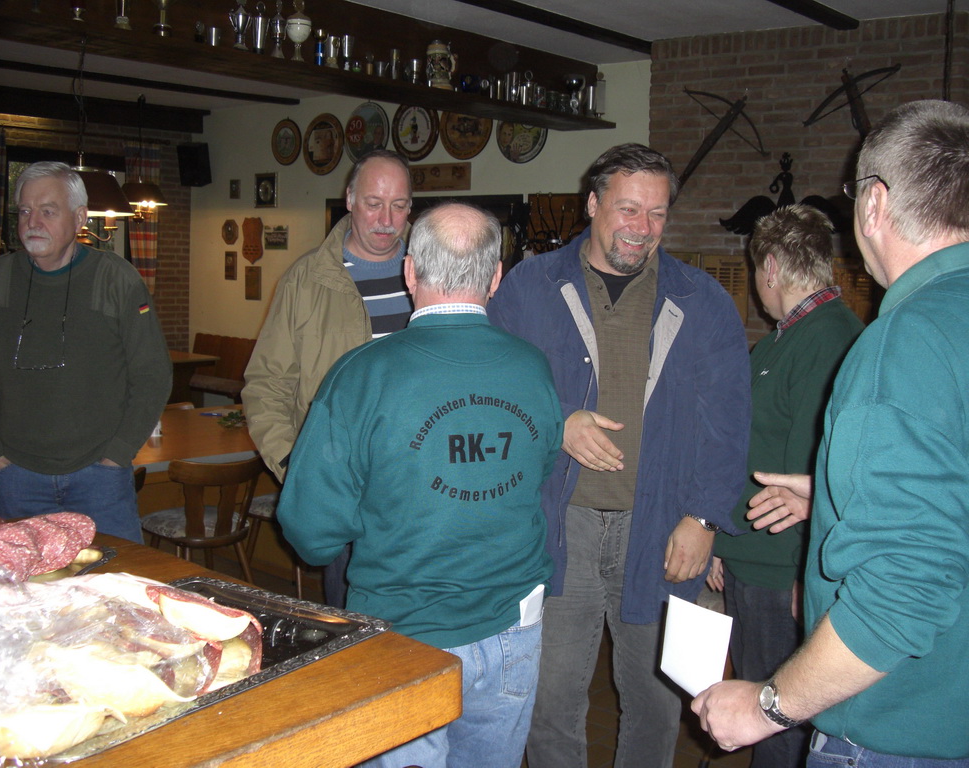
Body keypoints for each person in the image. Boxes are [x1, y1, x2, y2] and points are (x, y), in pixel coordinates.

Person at [692, 100, 969, 766]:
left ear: (874, 203)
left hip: (903, 728)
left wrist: (766, 705)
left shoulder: (904, 341)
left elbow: (903, 591)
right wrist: (834, 495)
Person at [487, 143, 751, 768]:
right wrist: (557, 423)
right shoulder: (530, 286)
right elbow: (493, 388)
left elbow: (729, 423)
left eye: (657, 213)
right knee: (550, 701)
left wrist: (705, 518)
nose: (642, 227)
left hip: (661, 529)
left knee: (656, 705)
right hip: (558, 527)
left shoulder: (703, 300)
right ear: (592, 203)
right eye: (628, 208)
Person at [276, 202, 564, 768]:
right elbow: (540, 471)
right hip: (513, 629)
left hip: (402, 635)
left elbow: (310, 533)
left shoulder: (361, 374)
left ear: (409, 272)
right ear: (495, 277)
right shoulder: (533, 367)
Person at [707, 204, 863, 768]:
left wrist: (806, 577)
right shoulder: (781, 341)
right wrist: (723, 539)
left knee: (779, 728)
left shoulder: (831, 342)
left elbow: (818, 482)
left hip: (781, 577)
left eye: (756, 271)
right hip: (754, 562)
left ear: (770, 266)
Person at [241, 149, 412, 606]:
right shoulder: (306, 281)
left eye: (398, 206)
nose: (386, 220)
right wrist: (296, 466)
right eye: (374, 204)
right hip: (343, 496)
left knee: (417, 637)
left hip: (420, 495)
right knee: (352, 627)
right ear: (350, 200)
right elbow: (266, 385)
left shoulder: (437, 272)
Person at [0, 161, 171, 542]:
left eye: (47, 211)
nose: (32, 222)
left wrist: (117, 455)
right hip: (16, 478)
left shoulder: (117, 280)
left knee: (116, 576)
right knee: (24, 581)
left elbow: (153, 376)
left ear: (79, 218)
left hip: (100, 479)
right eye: (24, 211)